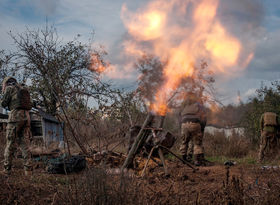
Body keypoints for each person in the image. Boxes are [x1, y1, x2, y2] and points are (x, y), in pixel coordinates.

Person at [1, 77, 33, 176]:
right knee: (25, 145)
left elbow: (3, 103)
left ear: (6, 83)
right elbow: (30, 104)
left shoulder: (9, 88)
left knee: (10, 143)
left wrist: (3, 94)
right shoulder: (24, 88)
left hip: (15, 116)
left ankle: (7, 170)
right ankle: (28, 171)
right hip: (26, 116)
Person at [179, 93, 210, 166]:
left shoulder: (184, 105)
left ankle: (183, 160)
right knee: (197, 143)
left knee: (184, 142)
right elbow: (204, 117)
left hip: (184, 124)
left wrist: (181, 125)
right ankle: (197, 161)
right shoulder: (199, 105)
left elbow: (179, 116)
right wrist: (202, 127)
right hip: (195, 124)